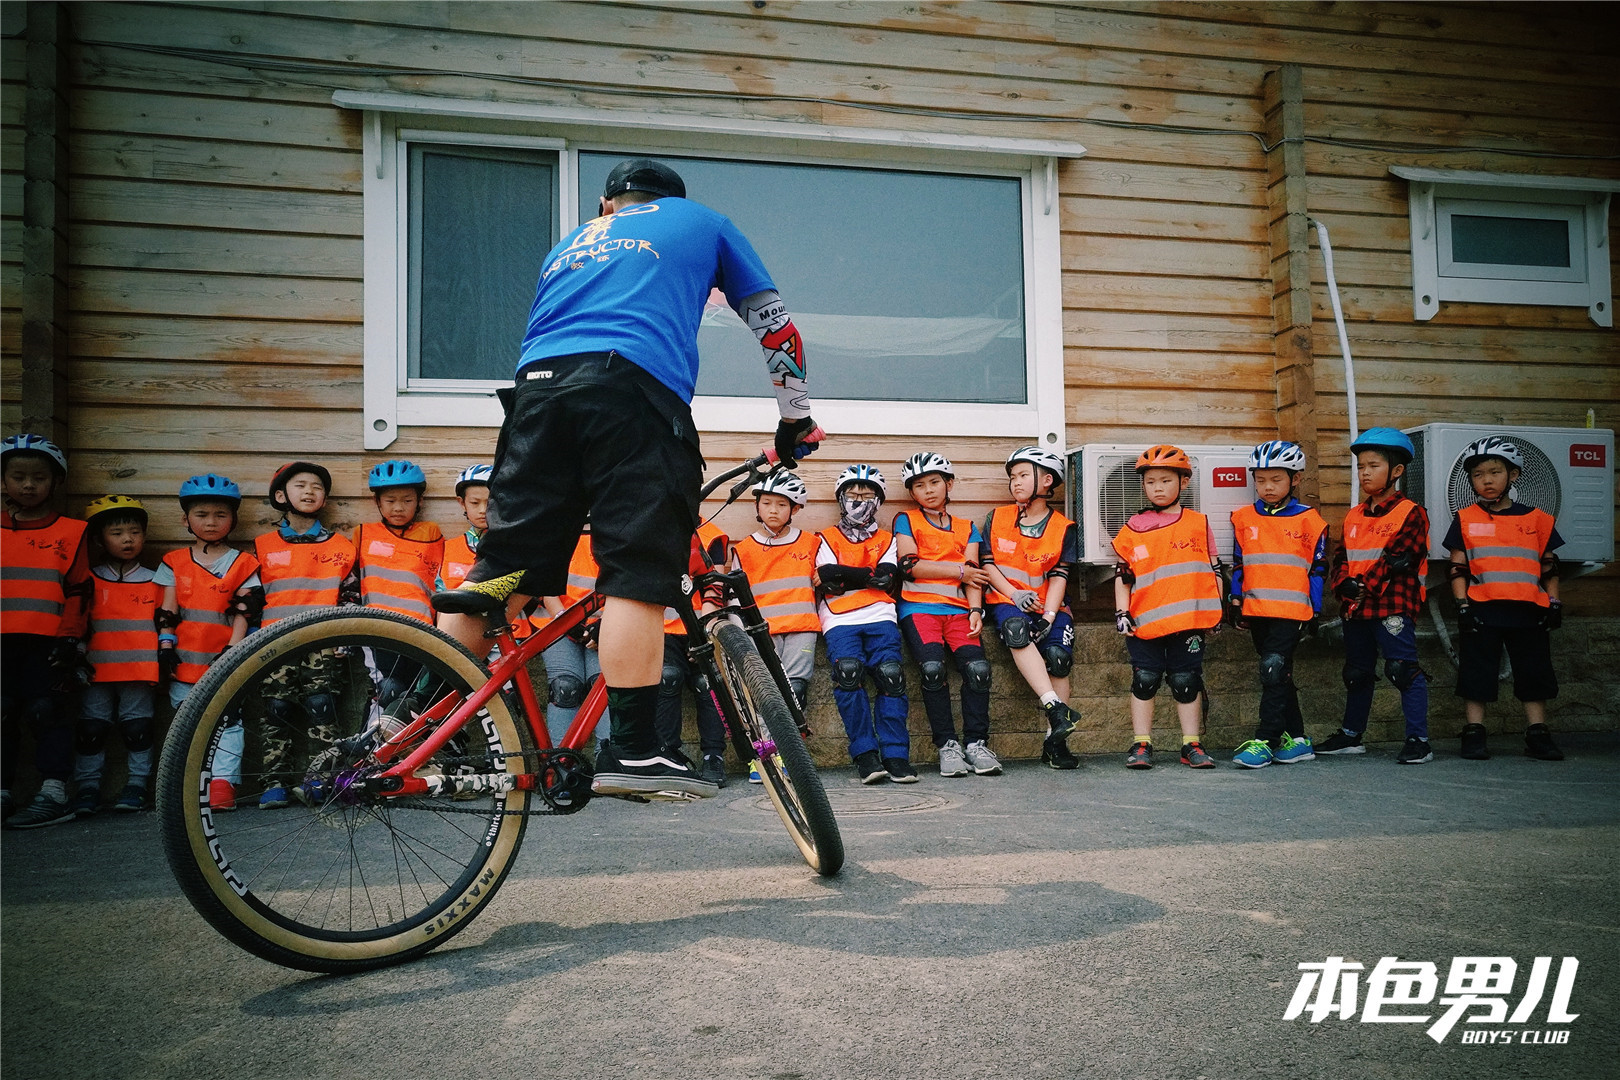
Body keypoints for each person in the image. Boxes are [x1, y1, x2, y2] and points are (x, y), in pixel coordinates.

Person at [436, 157, 819, 800]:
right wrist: (794, 424)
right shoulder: (703, 221)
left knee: (500, 570)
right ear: (670, 201)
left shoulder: (572, 242)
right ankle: (635, 751)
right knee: (638, 572)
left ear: (610, 205)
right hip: (628, 396)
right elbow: (774, 325)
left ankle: (413, 725)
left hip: (533, 400)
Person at [1444, 436, 1565, 762]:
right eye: (1478, 474)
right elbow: (1457, 568)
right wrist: (1462, 607)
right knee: (1476, 672)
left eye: (1495, 472)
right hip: (1483, 607)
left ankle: (1538, 734)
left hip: (1528, 609)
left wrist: (1554, 603)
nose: (1486, 480)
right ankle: (1474, 733)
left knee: (1534, 672)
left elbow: (1550, 566)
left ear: (1513, 475)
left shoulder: (1538, 518)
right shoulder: (1466, 518)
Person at [1319, 427, 1433, 764]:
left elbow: (1399, 559)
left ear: (1396, 471)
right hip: (1356, 606)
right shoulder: (1354, 515)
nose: (1365, 473)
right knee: (1357, 672)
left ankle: (1418, 740)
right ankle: (1352, 736)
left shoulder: (1411, 512)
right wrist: (1343, 586)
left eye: (1373, 466)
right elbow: (1341, 558)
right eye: (1361, 466)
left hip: (1392, 603)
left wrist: (1360, 587)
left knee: (1402, 668)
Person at [254, 461, 357, 807]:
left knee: (322, 707)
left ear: (325, 498)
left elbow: (350, 597)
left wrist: (345, 638)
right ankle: (274, 782)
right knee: (276, 709)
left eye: (316, 486)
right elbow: (251, 601)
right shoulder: (262, 546)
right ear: (281, 495)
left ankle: (324, 780)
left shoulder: (342, 546)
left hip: (323, 642)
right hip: (274, 642)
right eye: (300, 485)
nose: (309, 491)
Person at [156, 474, 262, 812]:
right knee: (185, 723)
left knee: (228, 722)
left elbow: (245, 610)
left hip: (224, 656)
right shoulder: (173, 562)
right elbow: (167, 609)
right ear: (185, 519)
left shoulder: (243, 563)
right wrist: (165, 644)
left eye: (220, 514)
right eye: (202, 514)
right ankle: (190, 784)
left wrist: (233, 649)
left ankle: (222, 785)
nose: (212, 522)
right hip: (184, 658)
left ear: (233, 519)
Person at [1112, 445, 1222, 770]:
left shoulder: (1198, 524)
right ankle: (1141, 744)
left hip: (1188, 620)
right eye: (1150, 482)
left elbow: (1214, 570)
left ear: (1183, 482)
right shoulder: (1132, 528)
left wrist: (1217, 611)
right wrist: (1121, 612)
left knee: (1185, 680)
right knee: (1144, 679)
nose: (1158, 488)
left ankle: (1191, 745)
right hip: (1144, 621)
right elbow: (1123, 576)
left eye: (1165, 480)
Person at [1, 435, 91, 829]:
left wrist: (70, 637)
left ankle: (54, 793)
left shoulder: (72, 531)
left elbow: (80, 589)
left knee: (46, 713)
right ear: (3, 481)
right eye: (18, 476)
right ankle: (3, 793)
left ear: (55, 482)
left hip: (48, 642)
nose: (28, 485)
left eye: (39, 477)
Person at [894, 451, 999, 778]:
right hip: (919, 609)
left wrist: (976, 608)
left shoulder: (968, 527)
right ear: (912, 493)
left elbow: (974, 574)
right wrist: (958, 571)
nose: (928, 490)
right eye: (919, 485)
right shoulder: (906, 520)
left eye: (935, 482)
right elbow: (910, 566)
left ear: (949, 483)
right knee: (932, 669)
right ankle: (947, 746)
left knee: (979, 670)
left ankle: (976, 744)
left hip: (958, 612)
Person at [1227, 441, 1329, 769]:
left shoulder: (1310, 521)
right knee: (1279, 675)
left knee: (1272, 669)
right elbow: (1239, 564)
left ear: (1295, 479)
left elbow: (1318, 568)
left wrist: (1315, 609)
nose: (1267, 487)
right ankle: (1298, 741)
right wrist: (1235, 598)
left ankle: (1266, 741)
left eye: (1276, 479)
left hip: (1291, 611)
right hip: (1257, 609)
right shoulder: (1243, 518)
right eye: (1260, 480)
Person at [981, 446, 1082, 770]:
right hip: (1007, 602)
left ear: (1047, 479)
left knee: (1059, 658)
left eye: (1024, 475)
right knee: (1016, 630)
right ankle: (1054, 705)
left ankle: (1056, 742)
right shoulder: (997, 518)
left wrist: (1050, 616)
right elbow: (989, 565)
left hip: (1048, 604)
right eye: (1013, 477)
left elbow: (1059, 576)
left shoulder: (1064, 527)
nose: (1016, 482)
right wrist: (1014, 594)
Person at [815, 465, 913, 783]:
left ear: (879, 500)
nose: (859, 500)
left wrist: (848, 576)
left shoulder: (887, 539)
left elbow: (885, 580)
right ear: (841, 499)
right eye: (852, 494)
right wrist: (866, 576)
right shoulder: (826, 537)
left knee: (891, 676)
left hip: (880, 614)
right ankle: (866, 755)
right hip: (838, 617)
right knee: (848, 673)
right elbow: (827, 574)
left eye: (867, 494)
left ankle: (896, 754)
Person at [70, 496, 161, 816]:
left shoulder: (157, 579)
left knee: (138, 729)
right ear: (98, 539)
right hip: (97, 669)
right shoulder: (88, 579)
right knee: (91, 730)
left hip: (139, 669)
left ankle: (136, 784)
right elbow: (79, 622)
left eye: (135, 532)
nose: (127, 539)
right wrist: (76, 657)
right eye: (117, 532)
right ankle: (87, 787)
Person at [730, 471, 820, 711]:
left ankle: (794, 746)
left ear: (795, 509)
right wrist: (739, 635)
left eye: (782, 504)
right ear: (757, 505)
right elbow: (734, 597)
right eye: (766, 503)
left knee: (796, 689)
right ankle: (771, 747)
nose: (773, 510)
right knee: (765, 690)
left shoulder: (811, 543)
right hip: (762, 631)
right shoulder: (745, 549)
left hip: (802, 628)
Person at [656, 521, 731, 785]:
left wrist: (702, 633)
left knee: (706, 683)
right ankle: (669, 754)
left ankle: (713, 756)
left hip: (700, 624)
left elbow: (715, 588)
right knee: (668, 677)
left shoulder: (713, 536)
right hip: (660, 627)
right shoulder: (648, 526)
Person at [534, 527, 610, 752]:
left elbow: (629, 578)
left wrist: (606, 624)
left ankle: (607, 764)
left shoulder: (616, 523)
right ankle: (561, 766)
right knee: (565, 688)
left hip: (606, 623)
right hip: (556, 621)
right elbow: (541, 579)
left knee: (604, 688)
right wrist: (564, 619)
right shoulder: (555, 523)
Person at [438, 464, 492, 593]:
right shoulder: (448, 548)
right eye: (475, 503)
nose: (483, 510)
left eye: (490, 502)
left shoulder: (513, 546)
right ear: (462, 503)